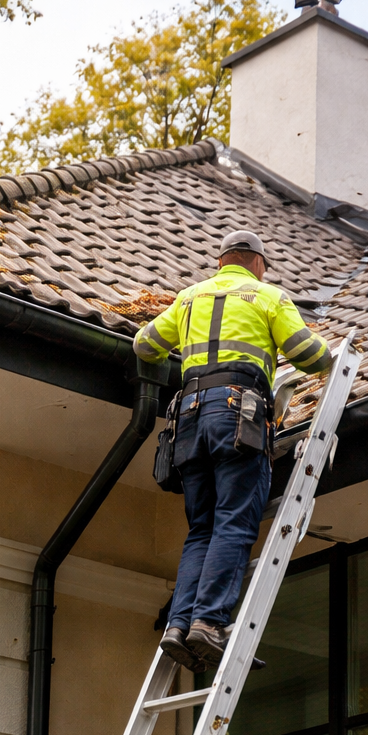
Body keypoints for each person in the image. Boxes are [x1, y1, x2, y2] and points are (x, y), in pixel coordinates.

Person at [134, 229, 332, 672]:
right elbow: (310, 355)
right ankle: (208, 622)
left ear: (221, 261)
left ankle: (178, 625)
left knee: (201, 527)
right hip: (237, 417)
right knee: (234, 523)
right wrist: (332, 354)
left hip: (187, 420)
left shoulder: (187, 298)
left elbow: (144, 346)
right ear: (257, 263)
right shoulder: (268, 296)